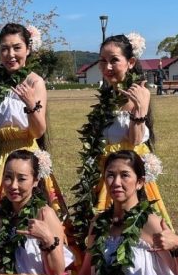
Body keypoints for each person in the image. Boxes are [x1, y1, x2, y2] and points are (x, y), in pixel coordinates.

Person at [0, 23, 70, 270]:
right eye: (4, 49)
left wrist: (31, 105)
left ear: (28, 49)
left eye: (17, 48)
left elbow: (38, 131)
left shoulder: (35, 81)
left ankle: (26, 264)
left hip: (24, 156)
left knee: (28, 212)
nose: (10, 54)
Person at [68, 32, 172, 252]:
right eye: (103, 61)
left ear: (130, 62)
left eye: (114, 60)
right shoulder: (108, 96)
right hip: (103, 173)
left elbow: (135, 140)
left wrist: (139, 109)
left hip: (127, 173)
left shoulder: (139, 93)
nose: (107, 67)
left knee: (132, 231)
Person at [0, 149, 73, 275]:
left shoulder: (45, 215)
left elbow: (57, 273)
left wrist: (47, 239)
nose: (13, 185)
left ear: (35, 181)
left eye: (21, 179)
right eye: (8, 177)